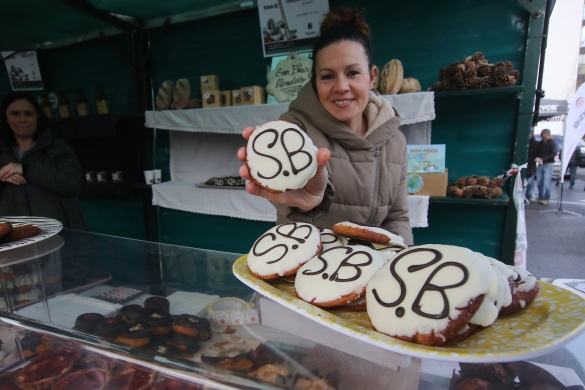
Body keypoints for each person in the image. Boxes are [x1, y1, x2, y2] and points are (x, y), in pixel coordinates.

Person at [238, 8, 413, 244]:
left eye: (352, 73)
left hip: (371, 270)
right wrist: (305, 203)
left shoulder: (395, 141)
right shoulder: (295, 131)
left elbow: (397, 218)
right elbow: (292, 210)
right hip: (310, 268)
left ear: (372, 77)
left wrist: (399, 267)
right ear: (315, 81)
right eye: (328, 76)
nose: (341, 86)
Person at [0, 91, 86, 229]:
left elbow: (73, 184)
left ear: (38, 116)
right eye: (15, 113)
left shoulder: (59, 147)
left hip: (61, 234)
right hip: (15, 237)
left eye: (29, 114)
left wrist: (27, 169)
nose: (22, 119)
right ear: (5, 116)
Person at [534, 129, 558, 205]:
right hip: (541, 163)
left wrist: (543, 159)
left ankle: (547, 197)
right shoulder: (540, 143)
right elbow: (537, 152)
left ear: (547, 134)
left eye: (543, 134)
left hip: (549, 163)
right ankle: (540, 196)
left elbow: (554, 153)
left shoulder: (552, 143)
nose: (542, 136)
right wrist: (536, 157)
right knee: (539, 181)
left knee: (547, 182)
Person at [525, 132, 539, 201]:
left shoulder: (536, 144)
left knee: (530, 182)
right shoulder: (536, 143)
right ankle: (528, 195)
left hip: (531, 165)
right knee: (529, 182)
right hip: (529, 165)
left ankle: (529, 195)